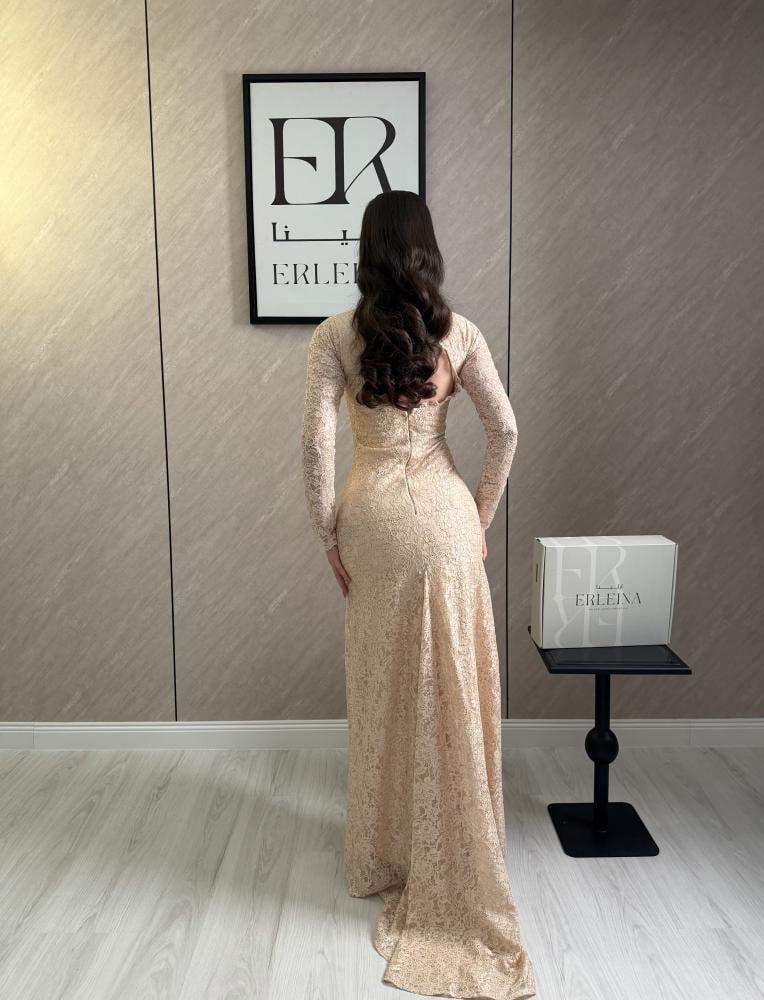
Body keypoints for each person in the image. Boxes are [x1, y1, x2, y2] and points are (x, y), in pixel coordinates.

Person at [300, 190, 537, 1000]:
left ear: (366, 251)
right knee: (453, 685)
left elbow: (315, 445)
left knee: (382, 684)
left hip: (372, 523)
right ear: (427, 250)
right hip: (444, 519)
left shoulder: (335, 335)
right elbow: (506, 429)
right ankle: (457, 844)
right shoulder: (457, 331)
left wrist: (327, 533)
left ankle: (381, 856)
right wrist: (479, 516)